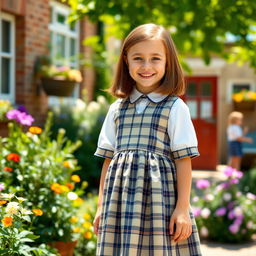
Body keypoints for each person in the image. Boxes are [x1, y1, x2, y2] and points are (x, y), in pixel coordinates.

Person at [93, 23, 202, 255]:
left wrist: (182, 209)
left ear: (167, 62)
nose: (146, 66)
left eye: (155, 59)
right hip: (119, 208)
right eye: (138, 58)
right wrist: (101, 207)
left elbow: (184, 161)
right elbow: (107, 161)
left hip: (159, 205)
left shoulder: (175, 107)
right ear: (126, 60)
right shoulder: (116, 109)